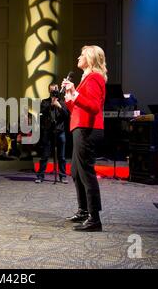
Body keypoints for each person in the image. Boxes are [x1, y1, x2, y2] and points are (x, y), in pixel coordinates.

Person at [62, 45, 107, 232]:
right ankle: (83, 211)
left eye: (82, 55)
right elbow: (78, 109)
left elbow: (95, 107)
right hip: (80, 127)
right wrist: (70, 98)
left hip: (88, 129)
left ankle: (94, 218)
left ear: (90, 58)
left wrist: (76, 93)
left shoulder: (94, 77)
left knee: (86, 172)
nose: (78, 57)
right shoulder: (86, 78)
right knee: (76, 171)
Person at [35, 83, 70, 183]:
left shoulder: (62, 102)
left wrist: (59, 105)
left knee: (62, 156)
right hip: (48, 131)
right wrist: (51, 104)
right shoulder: (45, 102)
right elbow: (41, 111)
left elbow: (67, 115)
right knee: (45, 155)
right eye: (51, 90)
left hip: (60, 131)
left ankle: (62, 176)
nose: (54, 92)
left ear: (58, 90)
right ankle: (40, 176)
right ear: (49, 91)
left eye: (55, 90)